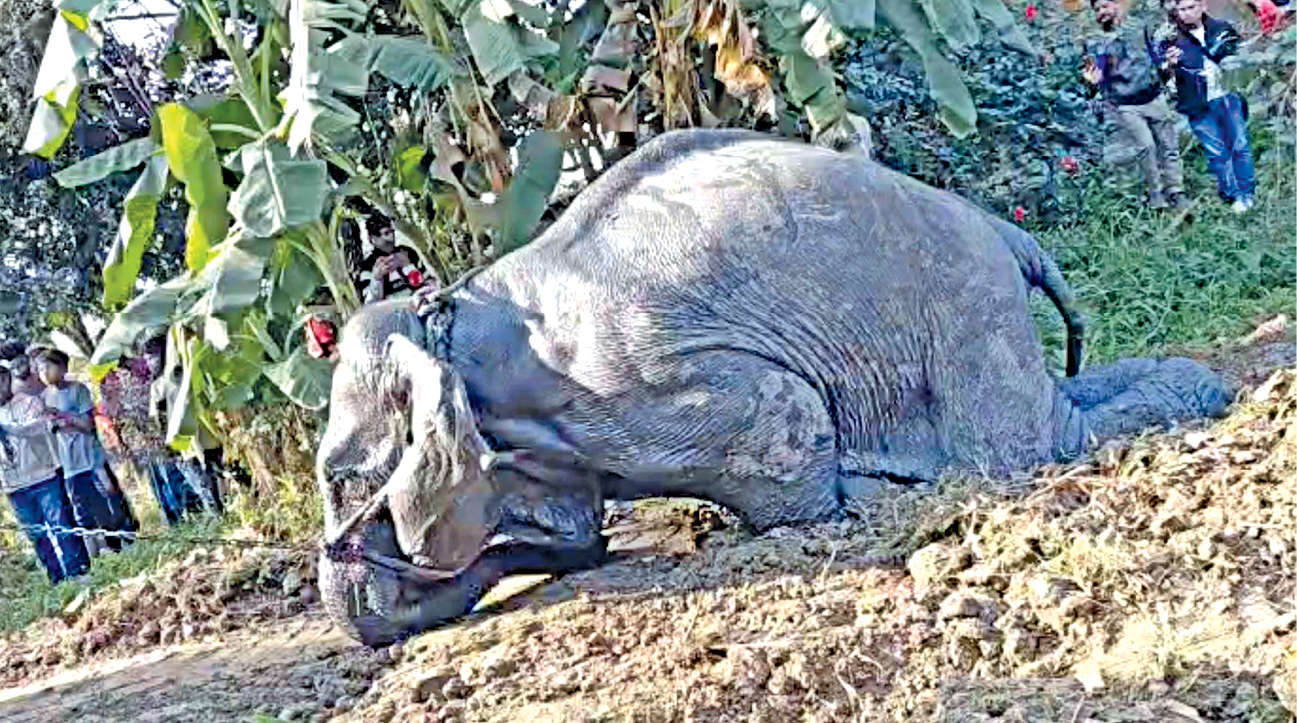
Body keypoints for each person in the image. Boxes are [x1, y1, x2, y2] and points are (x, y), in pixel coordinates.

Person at [1082, 0, 1186, 210]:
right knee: (1146, 147)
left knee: (1169, 146)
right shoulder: (1096, 42)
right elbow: (1095, 76)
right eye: (1097, 9)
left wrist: (1168, 69)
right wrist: (1092, 80)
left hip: (1154, 97)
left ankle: (1176, 191)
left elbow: (1156, 54)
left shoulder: (1139, 27)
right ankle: (1156, 194)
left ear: (1116, 5)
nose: (1102, 12)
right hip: (1126, 105)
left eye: (1105, 6)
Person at [35, 348, 136, 555]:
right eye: (40, 369)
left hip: (91, 457)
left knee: (110, 496)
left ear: (62, 368)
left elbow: (88, 425)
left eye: (48, 367)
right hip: (70, 463)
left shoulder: (78, 390)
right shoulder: (43, 397)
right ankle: (111, 544)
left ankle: (128, 536)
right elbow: (49, 429)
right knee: (89, 507)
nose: (44, 373)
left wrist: (64, 417)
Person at [1162, 0, 1257, 213]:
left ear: (1203, 6)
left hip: (1228, 95)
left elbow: (1240, 57)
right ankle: (1232, 196)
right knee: (1217, 153)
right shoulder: (1171, 39)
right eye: (1182, 9)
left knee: (1240, 146)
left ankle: (1248, 193)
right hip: (1196, 102)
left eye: (1192, 7)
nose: (1187, 13)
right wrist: (1169, 65)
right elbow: (1163, 78)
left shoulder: (1221, 28)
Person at [0, 364, 90, 585]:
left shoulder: (30, 403)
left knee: (61, 525)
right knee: (37, 535)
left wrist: (5, 427)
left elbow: (35, 429)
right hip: (14, 486)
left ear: (6, 380)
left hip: (43, 477)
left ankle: (79, 572)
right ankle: (57, 580)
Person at [357, 214, 426, 303]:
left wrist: (408, 267)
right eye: (386, 234)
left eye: (392, 232)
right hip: (392, 309)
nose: (391, 238)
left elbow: (426, 285)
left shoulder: (408, 253)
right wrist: (377, 279)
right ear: (372, 239)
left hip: (419, 303)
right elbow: (370, 303)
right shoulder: (368, 265)